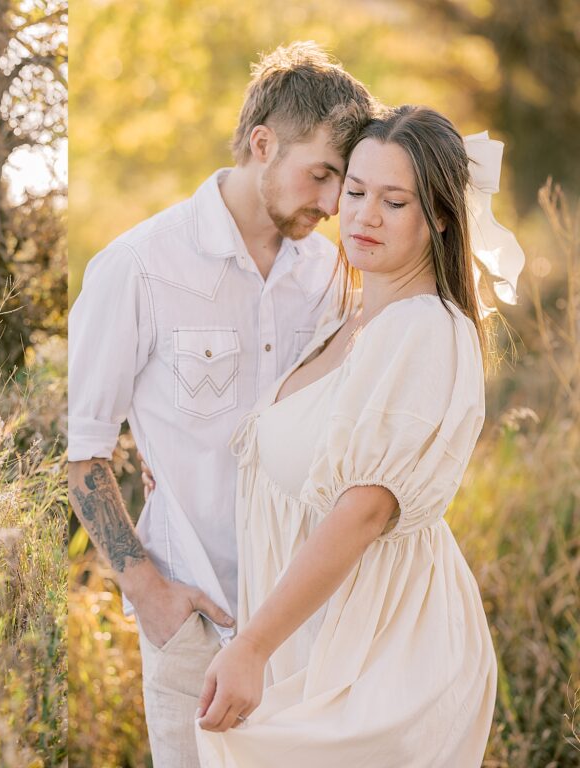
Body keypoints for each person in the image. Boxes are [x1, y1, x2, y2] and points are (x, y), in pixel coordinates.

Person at [67, 42, 375, 766]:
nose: (332, 205)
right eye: (323, 175)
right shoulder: (139, 266)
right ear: (262, 144)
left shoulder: (331, 273)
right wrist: (149, 592)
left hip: (311, 618)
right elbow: (82, 456)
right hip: (194, 615)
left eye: (344, 184)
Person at [194, 106, 502, 767]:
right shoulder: (349, 317)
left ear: (442, 215)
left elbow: (363, 509)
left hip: (377, 650)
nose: (363, 216)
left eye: (395, 202)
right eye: (355, 191)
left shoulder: (423, 329)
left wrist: (252, 646)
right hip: (312, 634)